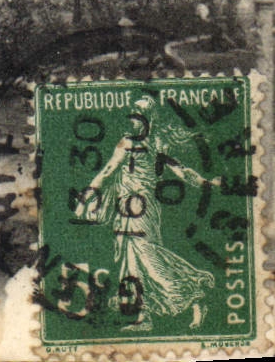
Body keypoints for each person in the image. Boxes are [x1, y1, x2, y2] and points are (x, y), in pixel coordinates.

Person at [75, 96, 219, 330]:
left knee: (146, 257)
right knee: (130, 263)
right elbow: (111, 170)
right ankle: (144, 317)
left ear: (149, 117)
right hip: (128, 208)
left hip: (141, 209)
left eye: (140, 111)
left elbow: (178, 170)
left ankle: (194, 291)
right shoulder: (144, 141)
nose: (135, 115)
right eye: (134, 110)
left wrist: (205, 182)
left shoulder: (138, 142)